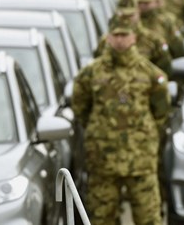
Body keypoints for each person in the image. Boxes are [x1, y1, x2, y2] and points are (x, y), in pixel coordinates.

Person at [72, 15, 169, 225]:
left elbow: (161, 112)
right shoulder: (90, 73)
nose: (120, 40)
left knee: (149, 218)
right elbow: (81, 108)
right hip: (103, 161)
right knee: (101, 218)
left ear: (133, 37)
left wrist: (143, 137)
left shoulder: (150, 74)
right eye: (115, 35)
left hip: (140, 160)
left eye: (124, 35)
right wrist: (100, 130)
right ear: (108, 38)